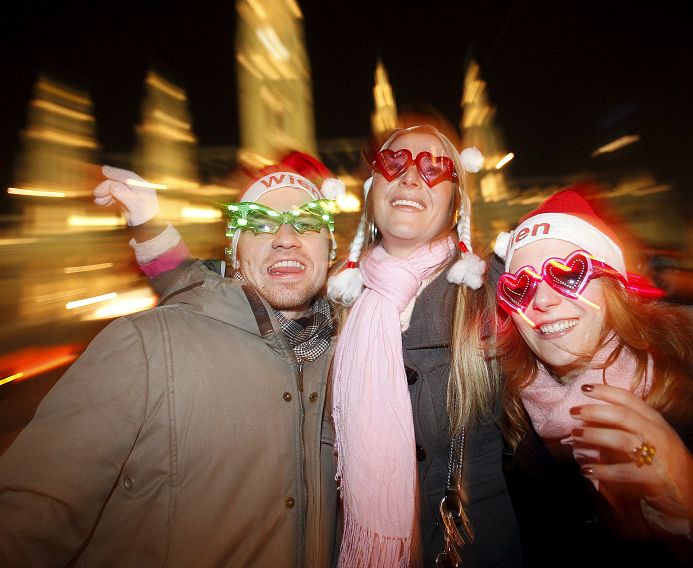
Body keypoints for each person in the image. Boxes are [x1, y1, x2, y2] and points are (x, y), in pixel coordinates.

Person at [0, 166, 342, 567]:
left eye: (307, 222)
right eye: (260, 224)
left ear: (331, 249)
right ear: (233, 251)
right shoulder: (145, 346)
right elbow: (29, 520)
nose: (286, 238)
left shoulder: (349, 355)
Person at [493, 189, 693, 566]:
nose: (540, 301)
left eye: (569, 273)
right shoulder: (517, 431)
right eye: (519, 287)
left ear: (614, 285)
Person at [325, 124, 522, 566]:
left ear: (456, 201)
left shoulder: (492, 289)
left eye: (434, 167)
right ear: (373, 188)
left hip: (466, 547)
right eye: (394, 163)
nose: (411, 177)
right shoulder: (332, 299)